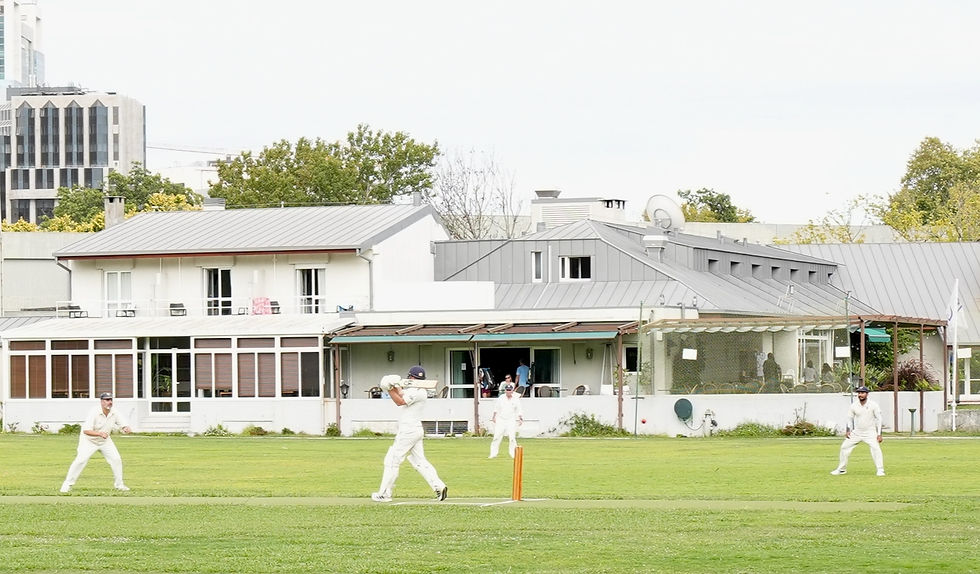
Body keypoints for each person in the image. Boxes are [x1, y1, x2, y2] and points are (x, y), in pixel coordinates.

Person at [372, 365, 449, 502]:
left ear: (411, 377)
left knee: (392, 460)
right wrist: (393, 385)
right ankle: (439, 486)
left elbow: (400, 401)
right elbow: (401, 393)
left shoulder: (419, 392)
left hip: (408, 431)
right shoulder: (416, 390)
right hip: (414, 430)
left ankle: (384, 494)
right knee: (419, 461)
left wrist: (389, 389)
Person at [60, 392, 132, 493]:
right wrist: (99, 434)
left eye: (111, 400)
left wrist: (126, 428)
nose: (110, 402)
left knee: (116, 460)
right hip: (89, 440)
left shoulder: (114, 412)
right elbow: (86, 431)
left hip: (105, 441)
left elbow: (122, 424)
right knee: (80, 461)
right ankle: (67, 485)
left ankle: (119, 485)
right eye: (107, 400)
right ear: (101, 402)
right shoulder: (94, 412)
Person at [831, 386, 885, 476]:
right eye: (859, 393)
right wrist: (848, 430)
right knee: (844, 447)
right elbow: (849, 419)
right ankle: (842, 469)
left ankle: (880, 469)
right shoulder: (854, 405)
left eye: (862, 393)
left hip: (870, 432)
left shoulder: (873, 405)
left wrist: (879, 434)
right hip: (857, 432)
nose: (860, 395)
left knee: (876, 448)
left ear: (867, 394)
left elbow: (879, 419)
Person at [489, 383, 523, 459]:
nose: (508, 392)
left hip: (511, 420)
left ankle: (513, 454)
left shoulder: (515, 399)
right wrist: (494, 417)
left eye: (509, 390)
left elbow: (519, 409)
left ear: (512, 391)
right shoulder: (501, 397)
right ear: (505, 391)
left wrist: (520, 418)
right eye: (507, 390)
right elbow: (496, 408)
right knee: (497, 437)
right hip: (501, 419)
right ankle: (493, 454)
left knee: (512, 438)